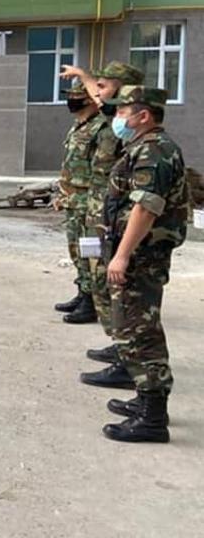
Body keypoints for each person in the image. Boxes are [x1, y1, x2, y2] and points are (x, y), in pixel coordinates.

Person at [97, 86, 188, 443]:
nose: (119, 118)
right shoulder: (145, 147)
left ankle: (152, 418)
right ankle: (143, 397)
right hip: (138, 254)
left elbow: (146, 206)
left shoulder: (154, 151)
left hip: (141, 256)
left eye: (123, 112)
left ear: (143, 116)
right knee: (131, 326)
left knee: (141, 331)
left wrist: (122, 254)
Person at [60, 61, 145, 380]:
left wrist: (85, 76)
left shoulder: (129, 128)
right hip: (97, 202)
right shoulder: (120, 119)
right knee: (98, 271)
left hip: (113, 210)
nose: (98, 92)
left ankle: (128, 357)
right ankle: (121, 345)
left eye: (106, 86)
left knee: (116, 280)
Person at [52, 85, 99, 324]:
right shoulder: (78, 126)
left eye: (77, 97)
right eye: (69, 96)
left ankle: (92, 302)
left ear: (91, 100)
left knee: (90, 251)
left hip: (89, 201)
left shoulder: (100, 127)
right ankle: (82, 292)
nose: (71, 101)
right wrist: (62, 194)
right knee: (76, 250)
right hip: (73, 199)